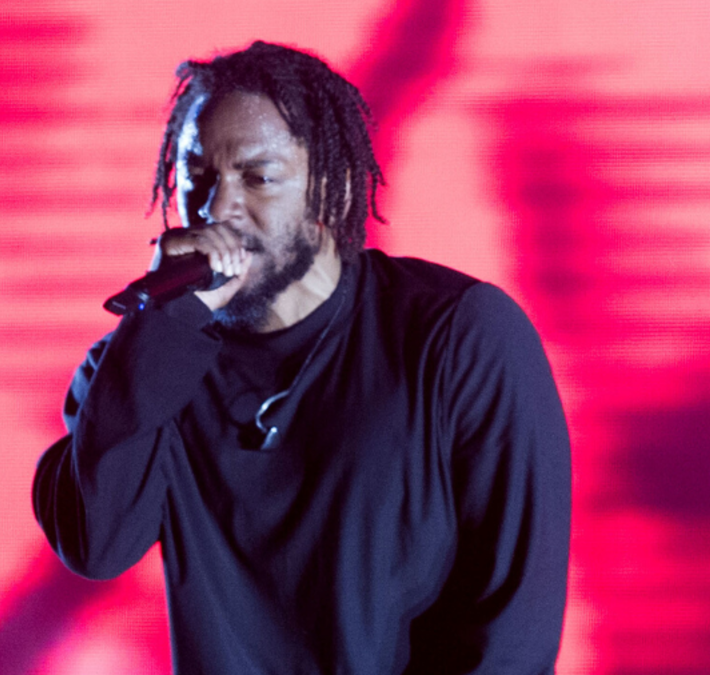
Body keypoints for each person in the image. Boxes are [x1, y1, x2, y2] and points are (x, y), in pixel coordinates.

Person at [33, 41, 571, 674]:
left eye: (257, 178)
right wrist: (161, 323)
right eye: (196, 177)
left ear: (331, 191)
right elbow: (98, 545)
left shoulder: (457, 335)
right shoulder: (142, 365)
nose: (217, 208)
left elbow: (513, 625)